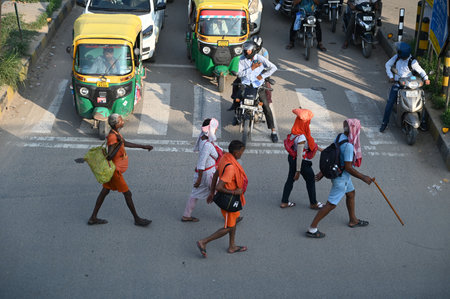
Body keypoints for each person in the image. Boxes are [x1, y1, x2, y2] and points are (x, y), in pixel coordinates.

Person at [306, 119, 373, 238]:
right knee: (331, 205)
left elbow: (332, 155)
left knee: (351, 193)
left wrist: (322, 172)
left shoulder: (339, 137)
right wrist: (364, 177)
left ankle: (353, 220)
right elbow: (348, 167)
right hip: (341, 179)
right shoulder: (348, 146)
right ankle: (312, 228)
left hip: (342, 176)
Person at [87, 114, 154, 227]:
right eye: (121, 120)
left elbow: (125, 142)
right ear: (116, 123)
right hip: (115, 172)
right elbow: (109, 156)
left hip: (114, 170)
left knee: (104, 192)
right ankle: (137, 219)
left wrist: (143, 146)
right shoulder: (113, 137)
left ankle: (93, 218)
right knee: (127, 194)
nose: (123, 121)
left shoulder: (116, 133)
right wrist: (119, 144)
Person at [196, 140, 248, 258]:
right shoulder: (231, 168)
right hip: (229, 200)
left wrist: (211, 192)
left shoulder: (225, 158)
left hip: (229, 198)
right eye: (241, 152)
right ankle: (203, 242)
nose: (242, 154)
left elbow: (216, 175)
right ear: (235, 153)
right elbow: (220, 187)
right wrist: (235, 191)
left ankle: (232, 246)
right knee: (229, 227)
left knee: (233, 222)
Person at [231, 41, 279, 142]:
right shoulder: (242, 59)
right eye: (245, 50)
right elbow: (240, 74)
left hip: (258, 86)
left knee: (266, 106)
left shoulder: (260, 58)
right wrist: (251, 68)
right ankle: (236, 115)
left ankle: (273, 131)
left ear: (253, 50)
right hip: (246, 84)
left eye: (248, 50)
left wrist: (263, 75)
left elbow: (273, 67)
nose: (246, 52)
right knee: (236, 99)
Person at [379, 42, 430, 132]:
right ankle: (384, 123)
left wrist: (426, 78)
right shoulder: (397, 57)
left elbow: (420, 70)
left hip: (410, 85)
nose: (401, 57)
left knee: (421, 101)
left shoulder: (412, 61)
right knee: (390, 103)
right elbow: (388, 64)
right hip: (398, 84)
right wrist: (390, 76)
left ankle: (422, 122)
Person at [281, 109, 324, 209]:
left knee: (290, 180)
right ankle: (313, 203)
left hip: (291, 158)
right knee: (310, 180)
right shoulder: (302, 138)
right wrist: (298, 171)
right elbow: (300, 155)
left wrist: (322, 150)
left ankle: (284, 201)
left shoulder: (294, 132)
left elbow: (311, 145)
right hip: (301, 162)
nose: (310, 122)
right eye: (309, 120)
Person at [181, 118, 223, 222]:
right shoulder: (208, 145)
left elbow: (218, 149)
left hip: (202, 173)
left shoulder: (202, 137)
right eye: (215, 128)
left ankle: (186, 215)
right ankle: (231, 216)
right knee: (221, 193)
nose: (216, 130)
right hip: (208, 175)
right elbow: (201, 162)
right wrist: (199, 179)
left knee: (194, 195)